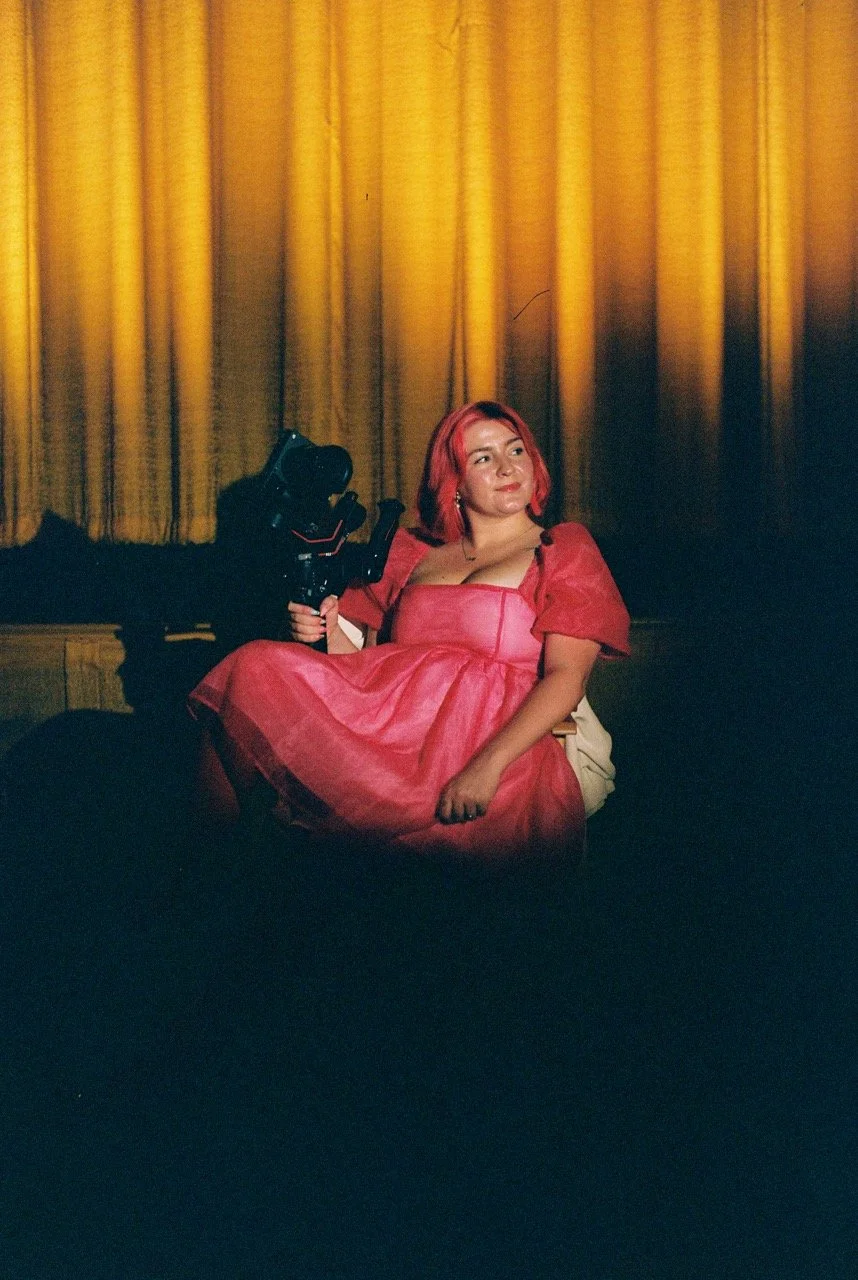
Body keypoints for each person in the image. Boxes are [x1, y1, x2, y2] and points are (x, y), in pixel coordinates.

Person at [189, 401, 630, 861]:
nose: (506, 467)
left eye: (515, 451)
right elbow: (365, 668)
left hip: (487, 743)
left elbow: (566, 679)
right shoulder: (411, 552)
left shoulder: (561, 548)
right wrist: (326, 627)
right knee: (250, 668)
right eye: (483, 458)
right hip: (391, 733)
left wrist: (487, 766)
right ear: (454, 482)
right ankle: (207, 888)